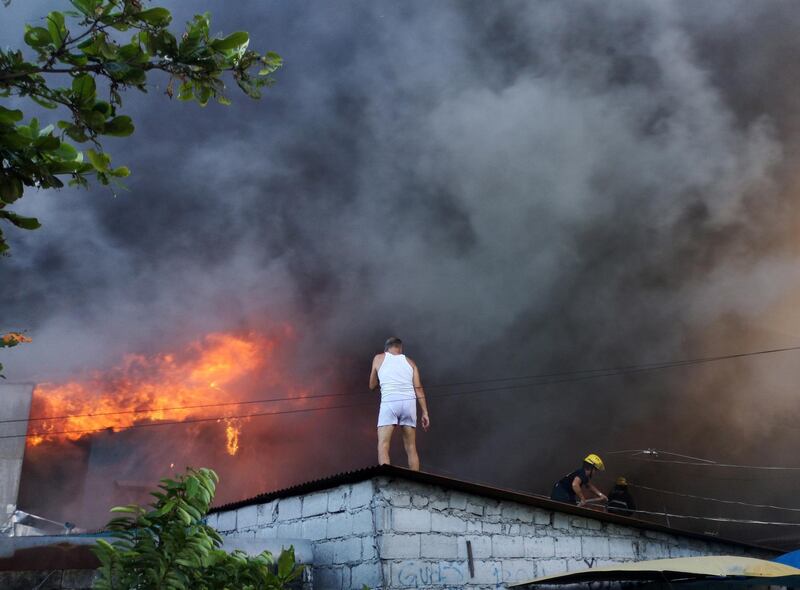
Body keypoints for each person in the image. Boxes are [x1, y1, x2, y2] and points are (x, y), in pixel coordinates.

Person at [369, 337, 430, 471]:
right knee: (411, 448)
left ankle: (386, 480)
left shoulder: (379, 358)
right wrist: (425, 412)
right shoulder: (410, 362)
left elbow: (372, 385)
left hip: (390, 402)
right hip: (409, 404)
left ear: (386, 348)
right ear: (400, 348)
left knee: (383, 445)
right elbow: (419, 389)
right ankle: (416, 481)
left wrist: (382, 381)